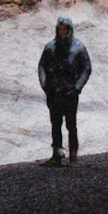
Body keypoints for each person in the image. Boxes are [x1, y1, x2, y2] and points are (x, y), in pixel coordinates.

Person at [37, 17, 92, 164]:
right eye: (60, 29)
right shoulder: (50, 47)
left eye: (65, 29)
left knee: (71, 124)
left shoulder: (78, 48)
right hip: (54, 92)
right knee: (55, 124)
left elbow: (86, 68)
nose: (62, 32)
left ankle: (73, 158)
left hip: (70, 92)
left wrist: (77, 88)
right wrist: (44, 84)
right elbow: (42, 65)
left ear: (69, 30)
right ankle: (57, 155)